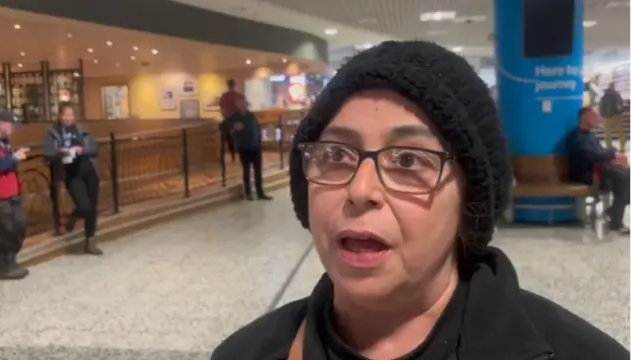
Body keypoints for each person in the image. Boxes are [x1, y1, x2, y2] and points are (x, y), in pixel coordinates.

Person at [212, 42, 629, 360]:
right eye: (336, 155)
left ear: (469, 200)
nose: (360, 191)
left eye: (408, 160)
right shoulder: (247, 352)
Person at [43, 102, 103, 255]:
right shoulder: (53, 132)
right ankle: (72, 217)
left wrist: (81, 149)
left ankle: (90, 241)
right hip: (71, 173)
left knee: (92, 208)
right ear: (60, 115)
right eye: (65, 114)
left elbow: (94, 148)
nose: (68, 118)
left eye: (71, 115)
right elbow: (48, 153)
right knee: (84, 207)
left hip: (88, 170)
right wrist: (60, 151)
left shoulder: (82, 129)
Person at [568, 106, 629, 234]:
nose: (599, 119)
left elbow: (599, 153)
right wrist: (613, 152)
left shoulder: (590, 135)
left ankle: (614, 212)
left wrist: (614, 160)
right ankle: (615, 220)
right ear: (587, 118)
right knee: (623, 177)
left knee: (626, 174)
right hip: (585, 174)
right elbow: (595, 156)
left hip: (597, 170)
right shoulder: (578, 137)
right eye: (596, 116)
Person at [0, 110, 29, 280]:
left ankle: (10, 260)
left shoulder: (4, 143)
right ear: (0, 124)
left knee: (19, 226)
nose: (13, 129)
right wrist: (14, 158)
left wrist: (14, 157)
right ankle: (4, 266)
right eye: (11, 125)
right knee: (5, 230)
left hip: (13, 193)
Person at [220, 97, 272, 201]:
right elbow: (222, 125)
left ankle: (260, 192)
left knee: (258, 171)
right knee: (246, 171)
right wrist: (233, 126)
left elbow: (257, 128)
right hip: (244, 146)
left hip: (255, 146)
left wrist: (259, 141)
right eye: (240, 103)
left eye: (244, 103)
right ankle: (248, 193)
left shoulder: (251, 115)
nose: (243, 105)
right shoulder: (234, 117)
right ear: (238, 105)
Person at [219, 79, 246, 162]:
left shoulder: (224, 96)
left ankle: (231, 155)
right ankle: (241, 155)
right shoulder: (239, 96)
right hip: (238, 120)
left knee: (226, 138)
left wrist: (226, 117)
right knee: (241, 138)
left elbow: (222, 109)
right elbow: (243, 108)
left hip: (228, 120)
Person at [599, 82, 626, 150]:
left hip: (606, 118)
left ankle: (609, 148)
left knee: (607, 134)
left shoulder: (604, 96)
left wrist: (602, 115)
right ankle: (622, 148)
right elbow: (621, 104)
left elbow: (601, 106)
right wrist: (620, 111)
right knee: (621, 133)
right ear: (614, 87)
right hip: (616, 116)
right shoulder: (617, 95)